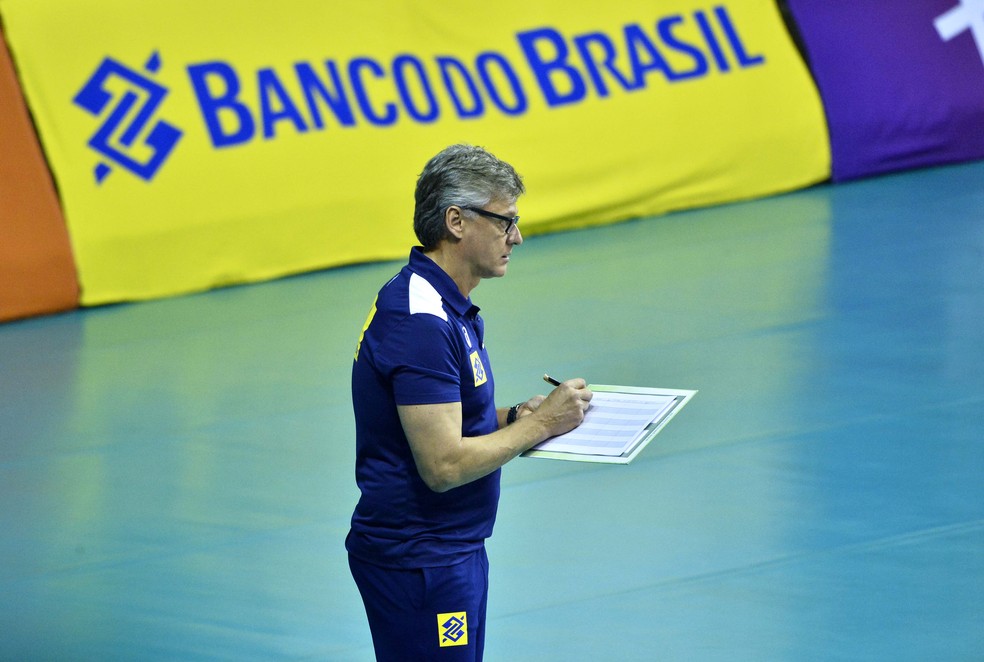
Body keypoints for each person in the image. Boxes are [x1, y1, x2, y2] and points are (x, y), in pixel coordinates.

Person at [346, 144, 592, 661]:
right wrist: (542, 425)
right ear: (456, 221)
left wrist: (514, 417)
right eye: (505, 222)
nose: (517, 237)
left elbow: (451, 422)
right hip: (419, 562)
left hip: (450, 551)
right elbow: (442, 464)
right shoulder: (420, 321)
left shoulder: (444, 304)